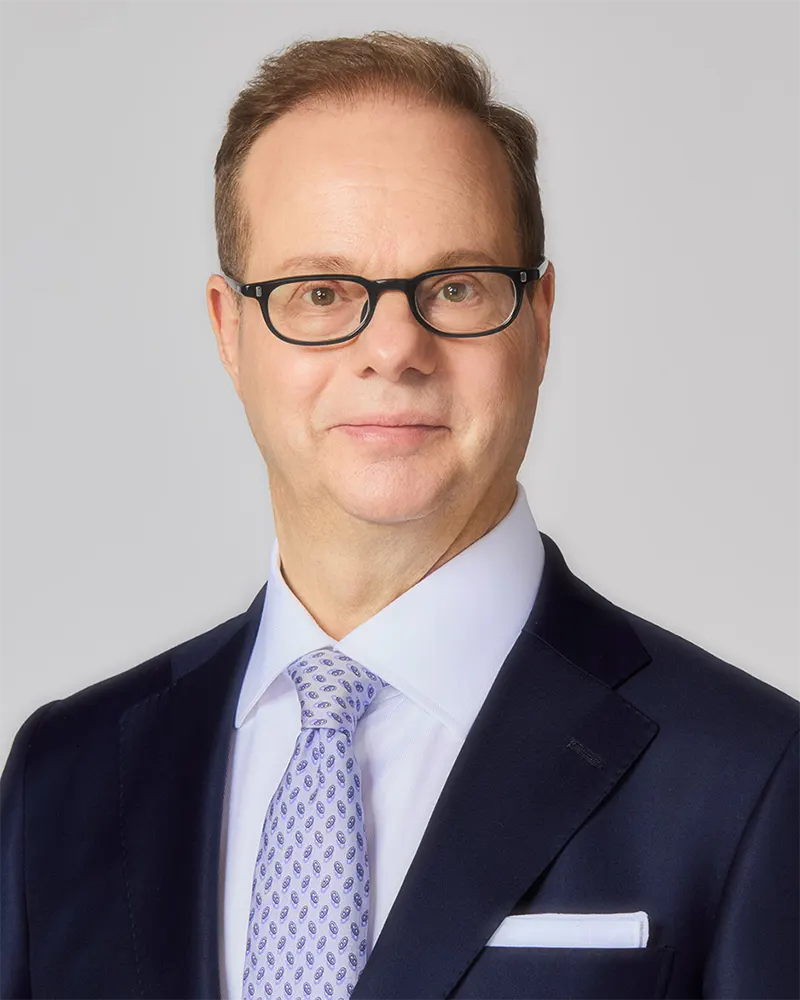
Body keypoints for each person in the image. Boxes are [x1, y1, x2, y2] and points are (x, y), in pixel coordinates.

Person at [1, 29, 798, 1000]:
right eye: (320, 291)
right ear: (229, 329)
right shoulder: (66, 779)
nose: (393, 348)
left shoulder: (754, 775)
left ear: (539, 318)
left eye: (454, 287)